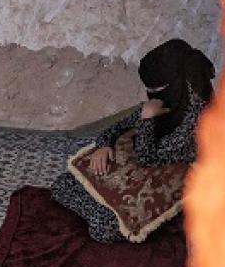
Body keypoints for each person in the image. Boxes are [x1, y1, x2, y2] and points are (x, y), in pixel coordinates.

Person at [51, 38, 216, 242]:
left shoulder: (199, 122)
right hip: (144, 169)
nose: (152, 96)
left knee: (102, 229)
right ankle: (101, 206)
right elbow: (119, 126)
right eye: (150, 91)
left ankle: (106, 212)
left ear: (177, 83)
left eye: (157, 90)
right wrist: (104, 146)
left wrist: (147, 120)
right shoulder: (171, 99)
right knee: (63, 184)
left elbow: (147, 157)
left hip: (173, 182)